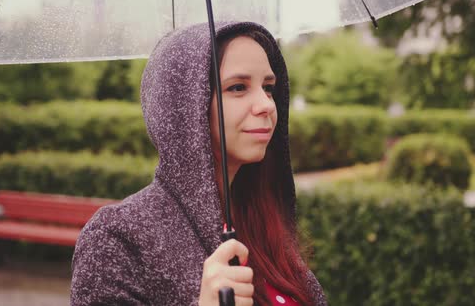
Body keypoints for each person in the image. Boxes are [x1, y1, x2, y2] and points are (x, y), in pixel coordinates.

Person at [70, 21, 327, 306]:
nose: (266, 104)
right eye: (238, 87)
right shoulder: (119, 237)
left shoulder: (262, 222)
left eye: (268, 87)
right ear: (184, 106)